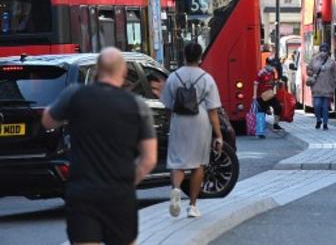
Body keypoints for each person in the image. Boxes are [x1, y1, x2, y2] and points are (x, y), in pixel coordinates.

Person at [41, 47, 157, 245]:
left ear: (97, 70)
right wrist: (128, 181)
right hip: (120, 194)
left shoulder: (75, 95)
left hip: (83, 193)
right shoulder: (137, 105)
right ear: (123, 73)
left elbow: (48, 121)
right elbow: (149, 159)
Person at [160, 42, 224, 218]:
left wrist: (169, 122)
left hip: (179, 122)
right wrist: (218, 134)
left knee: (177, 162)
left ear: (184, 56)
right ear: (200, 57)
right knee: (198, 165)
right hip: (200, 123)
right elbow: (213, 110)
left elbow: (166, 106)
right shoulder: (206, 78)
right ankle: (193, 206)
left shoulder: (173, 77)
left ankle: (176, 190)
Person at [307, 42, 336, 130]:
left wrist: (334, 85)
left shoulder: (331, 62)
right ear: (320, 51)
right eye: (322, 50)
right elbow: (309, 69)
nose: (323, 52)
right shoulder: (314, 60)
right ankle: (318, 119)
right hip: (317, 86)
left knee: (325, 107)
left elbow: (334, 74)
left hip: (327, 86)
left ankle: (325, 124)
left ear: (328, 52)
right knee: (317, 105)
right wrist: (312, 74)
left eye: (325, 50)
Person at [254, 56, 283, 133]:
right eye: (271, 65)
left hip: (270, 95)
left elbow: (273, 82)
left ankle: (276, 124)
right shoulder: (261, 72)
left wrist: (276, 83)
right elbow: (255, 84)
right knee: (261, 112)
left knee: (278, 107)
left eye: (273, 65)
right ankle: (260, 130)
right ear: (266, 64)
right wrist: (254, 96)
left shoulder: (272, 72)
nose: (272, 67)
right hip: (262, 96)